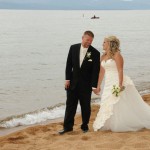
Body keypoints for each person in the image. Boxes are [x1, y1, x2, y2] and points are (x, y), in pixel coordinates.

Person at [93, 36, 150, 132]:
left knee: (118, 102)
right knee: (107, 102)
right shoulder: (102, 56)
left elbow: (120, 70)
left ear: (110, 43)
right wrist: (98, 86)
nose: (102, 44)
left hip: (116, 80)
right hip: (108, 83)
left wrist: (120, 84)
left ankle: (121, 123)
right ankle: (109, 123)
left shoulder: (117, 55)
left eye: (104, 42)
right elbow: (101, 72)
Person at [58, 31, 100, 134]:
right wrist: (67, 79)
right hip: (72, 83)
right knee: (70, 106)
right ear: (82, 38)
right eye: (87, 40)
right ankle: (67, 127)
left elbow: (96, 71)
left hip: (86, 85)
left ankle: (84, 126)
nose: (89, 42)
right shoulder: (73, 48)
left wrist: (94, 86)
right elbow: (68, 65)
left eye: (91, 41)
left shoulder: (95, 53)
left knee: (85, 107)